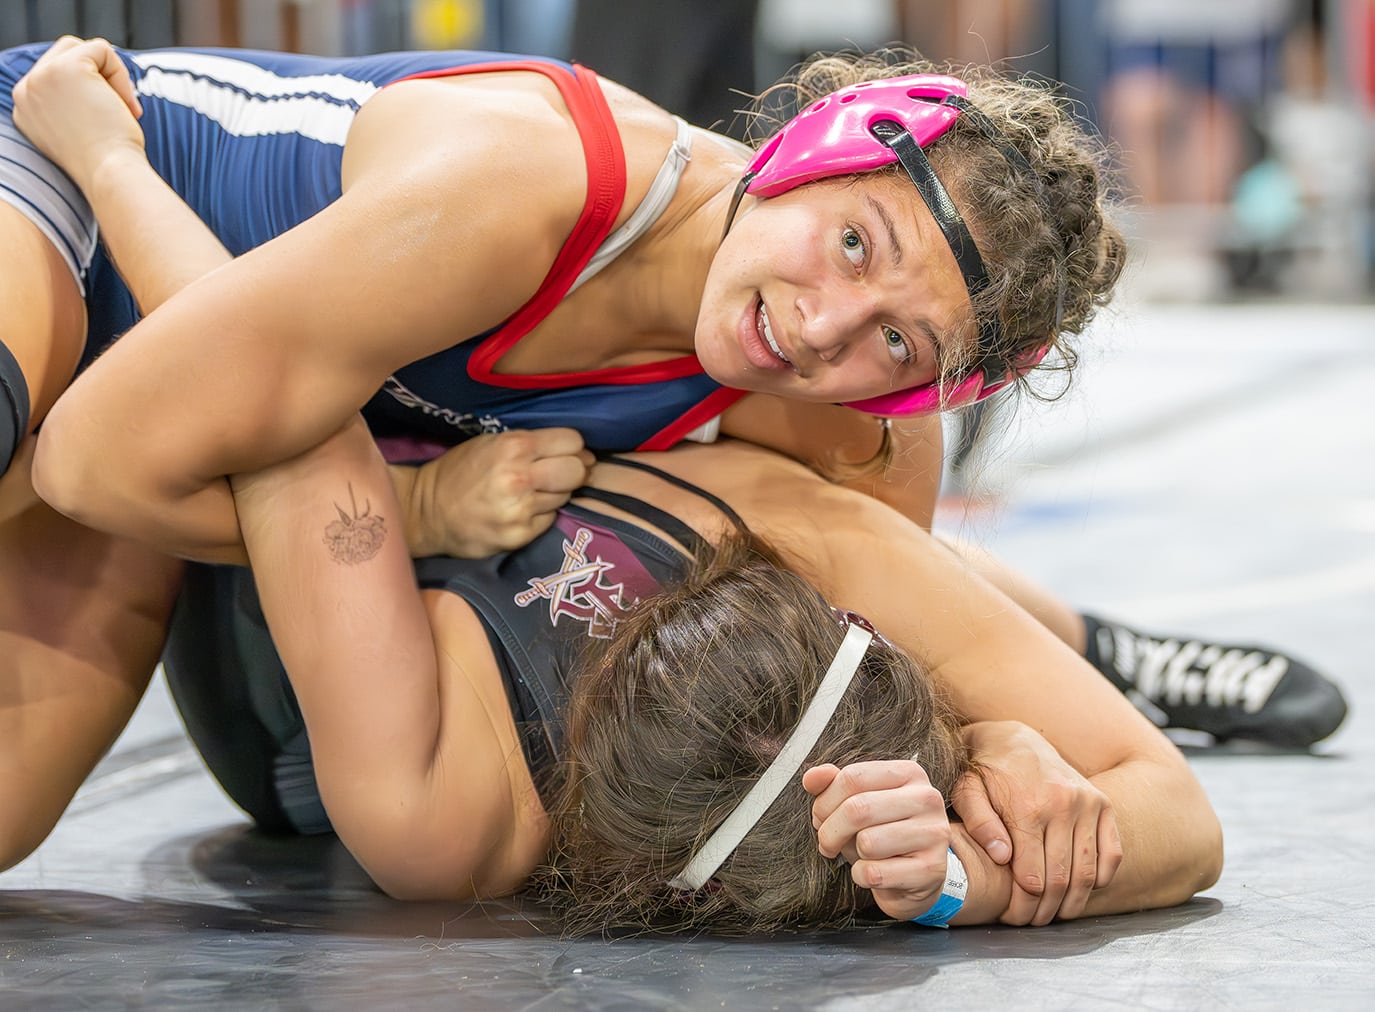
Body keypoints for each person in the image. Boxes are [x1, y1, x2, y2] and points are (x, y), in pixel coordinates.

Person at [1, 38, 1344, 748]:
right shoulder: (522, 191)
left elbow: (885, 625)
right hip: (73, 185)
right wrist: (417, 519)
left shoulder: (852, 425)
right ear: (809, 153)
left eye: (897, 347)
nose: (821, 330)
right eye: (856, 244)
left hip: (231, 464)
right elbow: (90, 458)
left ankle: (1089, 648)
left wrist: (1024, 744)